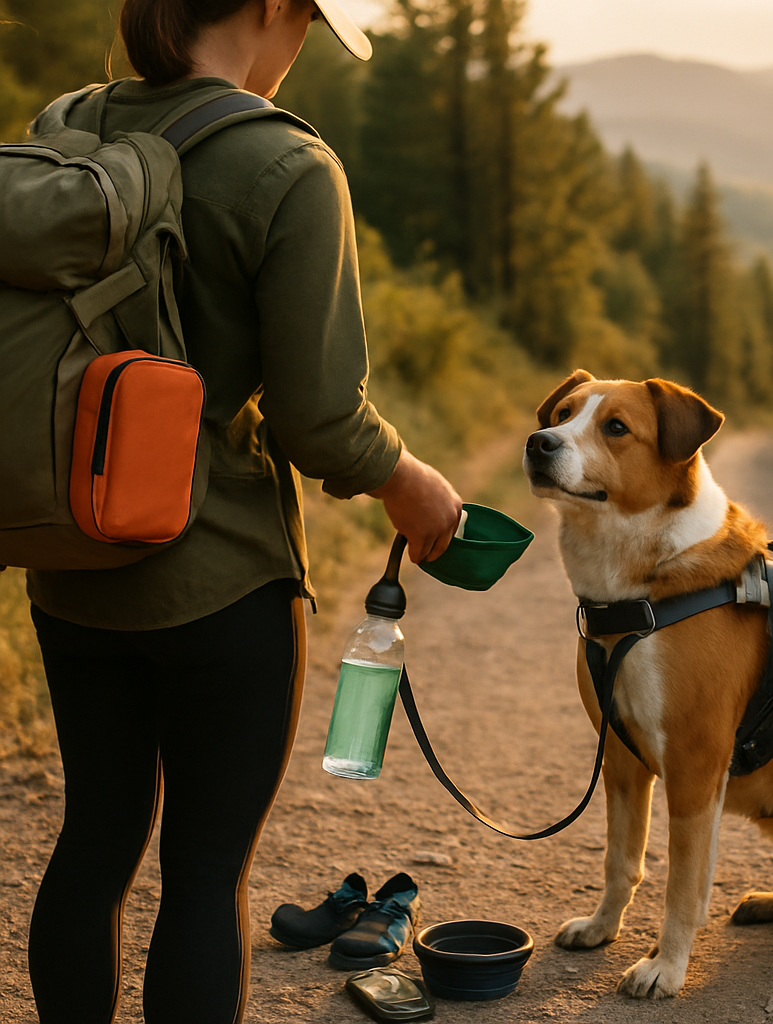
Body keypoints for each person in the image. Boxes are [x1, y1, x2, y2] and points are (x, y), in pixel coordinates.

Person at [24, 2, 463, 1022]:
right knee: (204, 870)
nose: (301, 44)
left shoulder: (65, 129)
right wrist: (414, 482)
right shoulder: (289, 167)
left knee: (90, 843)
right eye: (306, 20)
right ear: (271, 8)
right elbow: (321, 422)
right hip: (219, 578)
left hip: (71, 564)